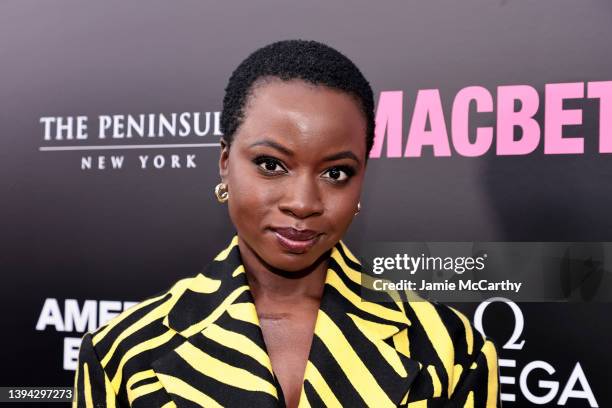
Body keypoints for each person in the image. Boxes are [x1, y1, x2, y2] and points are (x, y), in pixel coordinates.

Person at [73, 39, 500, 408]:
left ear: (362, 179)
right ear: (225, 163)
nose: (302, 203)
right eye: (271, 164)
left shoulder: (450, 349)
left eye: (336, 173)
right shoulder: (122, 353)